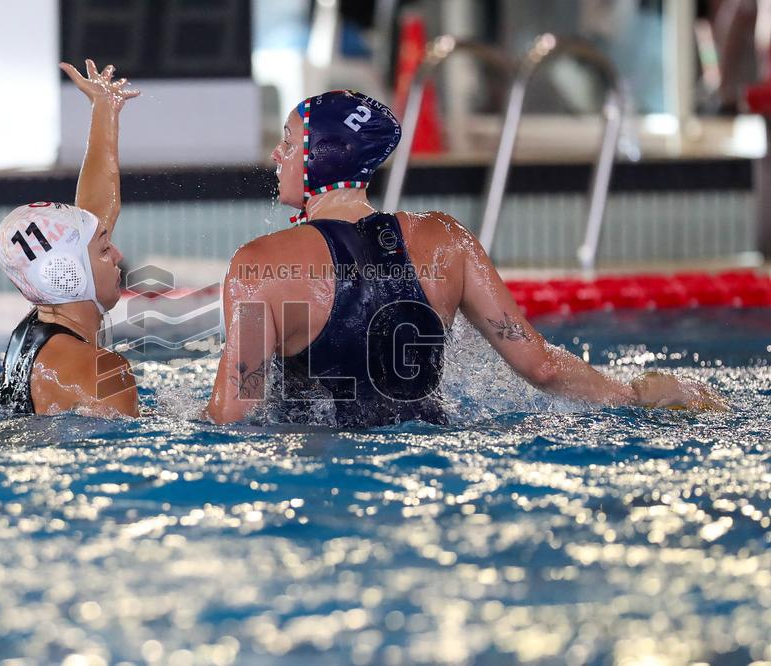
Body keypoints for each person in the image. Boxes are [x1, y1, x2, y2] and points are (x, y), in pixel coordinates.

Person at [204, 90, 727, 426]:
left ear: (322, 157)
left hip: (323, 478)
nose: (277, 153)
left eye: (290, 143)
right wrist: (635, 394)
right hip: (433, 457)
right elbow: (540, 365)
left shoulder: (258, 266)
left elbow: (234, 413)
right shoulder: (447, 240)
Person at [0, 60, 139, 417]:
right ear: (67, 274)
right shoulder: (101, 372)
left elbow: (92, 215)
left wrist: (104, 109)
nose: (117, 253)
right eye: (105, 250)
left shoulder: (36, 328)